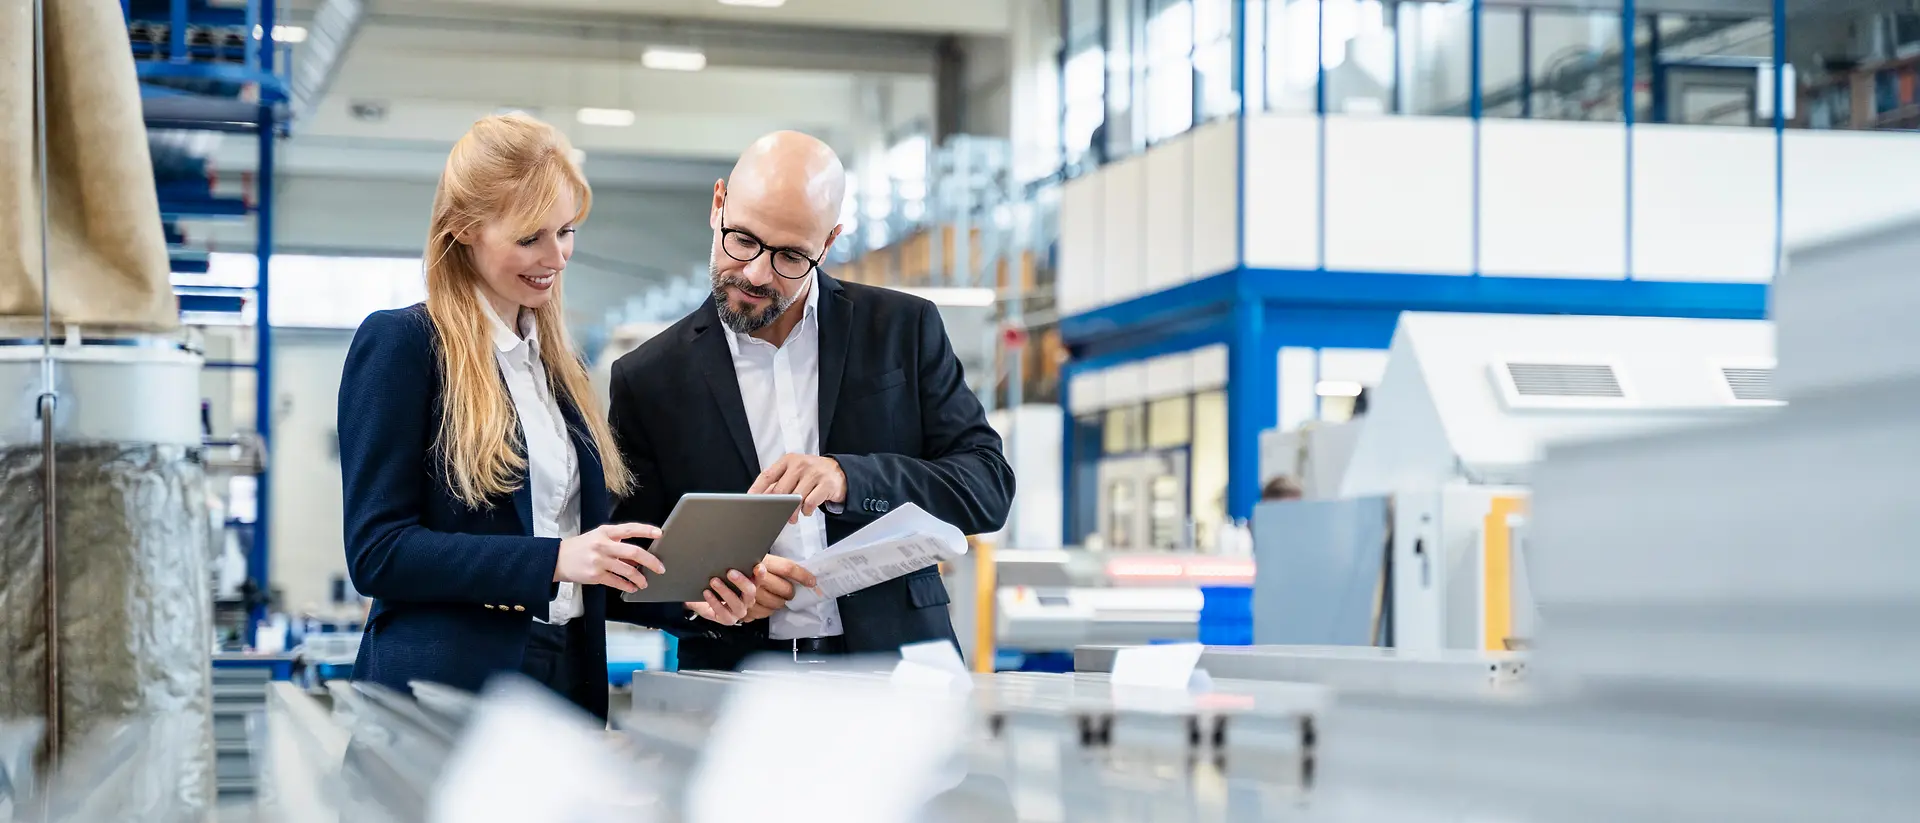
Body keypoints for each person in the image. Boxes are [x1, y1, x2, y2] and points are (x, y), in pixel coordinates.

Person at [336, 114, 754, 719]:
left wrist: (689, 596)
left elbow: (587, 564)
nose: (555, 257)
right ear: (463, 231)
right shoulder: (404, 345)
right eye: (530, 237)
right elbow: (378, 551)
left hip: (562, 677)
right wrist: (554, 558)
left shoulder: (555, 369)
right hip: (447, 694)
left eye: (566, 231)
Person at [607, 131, 1015, 671]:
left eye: (791, 256)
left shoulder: (901, 330)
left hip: (899, 675)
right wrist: (706, 601)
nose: (755, 273)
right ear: (718, 204)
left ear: (829, 242)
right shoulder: (649, 379)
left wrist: (851, 479)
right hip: (737, 685)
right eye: (743, 240)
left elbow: (987, 486)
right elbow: (625, 566)